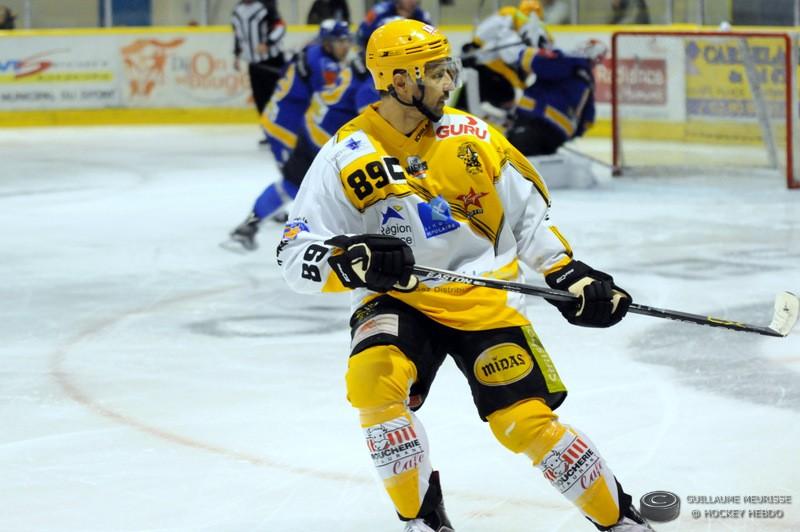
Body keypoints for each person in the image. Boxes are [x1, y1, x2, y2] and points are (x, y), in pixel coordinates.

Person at [277, 19, 654, 532]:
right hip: (399, 300)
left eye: (447, 68)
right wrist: (347, 260)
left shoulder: (472, 136)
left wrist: (569, 273)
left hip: (485, 297)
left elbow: (526, 219)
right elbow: (293, 251)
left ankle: (620, 519)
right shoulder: (346, 153)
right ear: (400, 80)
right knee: (372, 383)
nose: (449, 80)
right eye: (436, 72)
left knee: (524, 424)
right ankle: (422, 520)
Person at [229, 20, 379, 251]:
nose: (345, 46)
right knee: (297, 184)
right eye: (339, 41)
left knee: (295, 183)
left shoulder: (317, 54)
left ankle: (258, 221)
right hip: (289, 125)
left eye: (347, 40)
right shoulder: (328, 64)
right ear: (327, 43)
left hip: (307, 125)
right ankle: (264, 223)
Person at [456, 1, 550, 118]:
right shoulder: (542, 31)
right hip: (503, 78)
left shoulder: (511, 15)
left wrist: (475, 44)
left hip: (492, 74)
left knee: (464, 110)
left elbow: (485, 33)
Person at [231, 0, 287, 143]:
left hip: (272, 60)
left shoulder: (265, 7)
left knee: (276, 97)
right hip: (254, 63)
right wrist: (237, 55)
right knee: (260, 98)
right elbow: (238, 35)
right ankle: (269, 132)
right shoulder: (237, 10)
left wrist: (268, 43)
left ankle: (282, 131)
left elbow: (280, 27)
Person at [356, 0, 432, 48]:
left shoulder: (422, 16)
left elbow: (431, 39)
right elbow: (362, 34)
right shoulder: (378, 11)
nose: (412, 1)